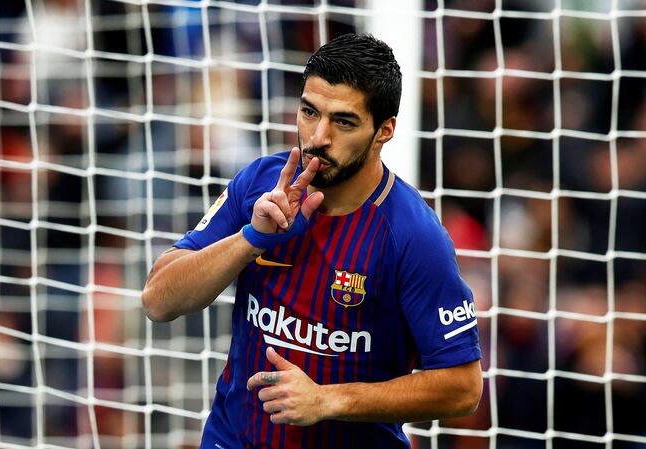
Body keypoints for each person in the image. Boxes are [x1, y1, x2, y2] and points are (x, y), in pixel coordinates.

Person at [142, 33, 482, 449]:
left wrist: (327, 399)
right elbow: (158, 300)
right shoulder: (259, 184)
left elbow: (464, 388)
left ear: (384, 130)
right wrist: (251, 239)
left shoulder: (414, 237)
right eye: (309, 111)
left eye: (343, 121)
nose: (318, 136)